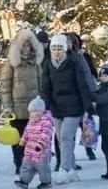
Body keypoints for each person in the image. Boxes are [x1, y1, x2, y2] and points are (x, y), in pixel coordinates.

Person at [39, 33, 93, 181]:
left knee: (65, 137)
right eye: (54, 48)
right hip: (57, 107)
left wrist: (87, 105)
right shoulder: (48, 64)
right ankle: (72, 168)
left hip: (74, 107)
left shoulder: (74, 62)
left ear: (65, 49)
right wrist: (45, 104)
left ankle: (65, 168)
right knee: (61, 139)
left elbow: (82, 85)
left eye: (59, 48)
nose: (56, 52)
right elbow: (45, 87)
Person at [0, 28, 43, 176]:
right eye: (23, 45)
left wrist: (42, 102)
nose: (26, 49)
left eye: (28, 45)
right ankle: (19, 163)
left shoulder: (36, 64)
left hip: (34, 108)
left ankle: (32, 162)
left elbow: (42, 84)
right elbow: (5, 86)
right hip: (17, 108)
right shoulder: (11, 64)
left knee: (34, 137)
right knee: (18, 138)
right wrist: (7, 106)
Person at [15, 97, 54, 189]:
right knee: (26, 166)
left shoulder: (46, 122)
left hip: (41, 151)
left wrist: (40, 144)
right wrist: (22, 142)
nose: (32, 114)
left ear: (41, 111)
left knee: (42, 167)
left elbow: (46, 134)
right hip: (29, 150)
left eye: (35, 111)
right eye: (31, 112)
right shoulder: (30, 122)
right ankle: (24, 181)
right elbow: (26, 133)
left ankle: (46, 181)